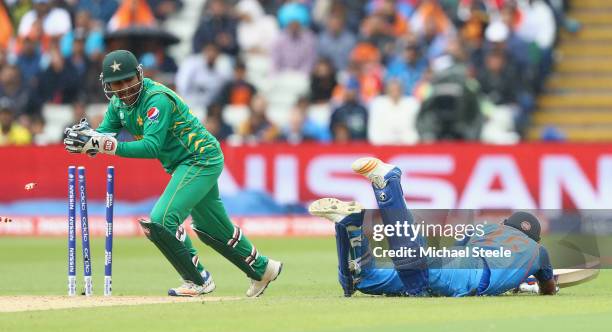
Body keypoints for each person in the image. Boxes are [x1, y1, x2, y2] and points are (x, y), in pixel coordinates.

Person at [63, 50, 282, 297]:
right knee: (210, 229)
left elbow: (150, 146)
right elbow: (105, 136)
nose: (123, 88)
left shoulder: (156, 99)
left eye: (128, 80)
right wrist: (88, 141)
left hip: (199, 159)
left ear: (139, 75)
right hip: (184, 164)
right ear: (107, 84)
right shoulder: (117, 105)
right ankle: (263, 269)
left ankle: (198, 280)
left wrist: (104, 146)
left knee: (161, 221)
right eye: (116, 83)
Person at [309, 157, 557, 297]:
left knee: (367, 280)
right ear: (535, 239)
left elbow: (457, 250)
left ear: (506, 224)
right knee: (416, 273)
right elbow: (548, 289)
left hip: (458, 260)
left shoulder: (489, 228)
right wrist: (526, 283)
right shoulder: (538, 252)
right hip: (469, 275)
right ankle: (389, 184)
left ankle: (348, 224)